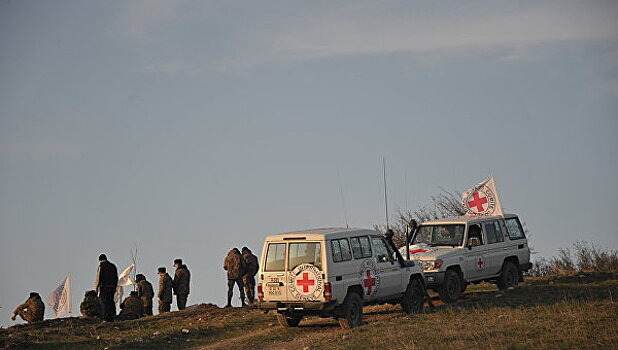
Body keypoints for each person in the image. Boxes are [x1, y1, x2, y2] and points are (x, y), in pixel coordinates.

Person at [95, 254, 118, 322]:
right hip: (112, 287)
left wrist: (96, 288)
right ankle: (112, 317)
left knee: (104, 303)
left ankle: (106, 318)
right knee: (111, 302)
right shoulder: (113, 266)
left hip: (104, 287)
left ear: (100, 260)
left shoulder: (101, 266)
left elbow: (98, 278)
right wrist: (115, 286)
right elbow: (116, 278)